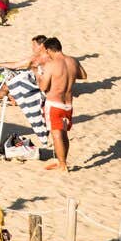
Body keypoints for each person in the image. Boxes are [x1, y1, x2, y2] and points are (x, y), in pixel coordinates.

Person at [38, 36, 86, 171]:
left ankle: (62, 164)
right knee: (64, 133)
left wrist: (39, 76)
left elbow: (43, 87)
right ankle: (62, 161)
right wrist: (67, 75)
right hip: (68, 104)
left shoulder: (51, 65)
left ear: (49, 50)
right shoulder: (73, 61)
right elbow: (83, 75)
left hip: (54, 102)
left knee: (57, 134)